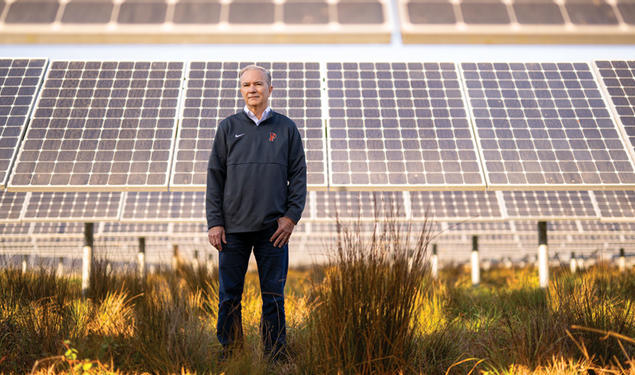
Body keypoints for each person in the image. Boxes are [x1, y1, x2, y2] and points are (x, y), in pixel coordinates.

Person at [206, 64, 307, 362]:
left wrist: (291, 217)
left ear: (270, 89)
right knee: (229, 296)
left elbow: (299, 176)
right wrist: (215, 222)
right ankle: (231, 355)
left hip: (273, 231)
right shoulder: (228, 127)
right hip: (233, 229)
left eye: (258, 84)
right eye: (247, 84)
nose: (252, 89)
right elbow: (215, 177)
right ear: (241, 90)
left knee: (273, 297)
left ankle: (275, 356)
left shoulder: (286, 128)